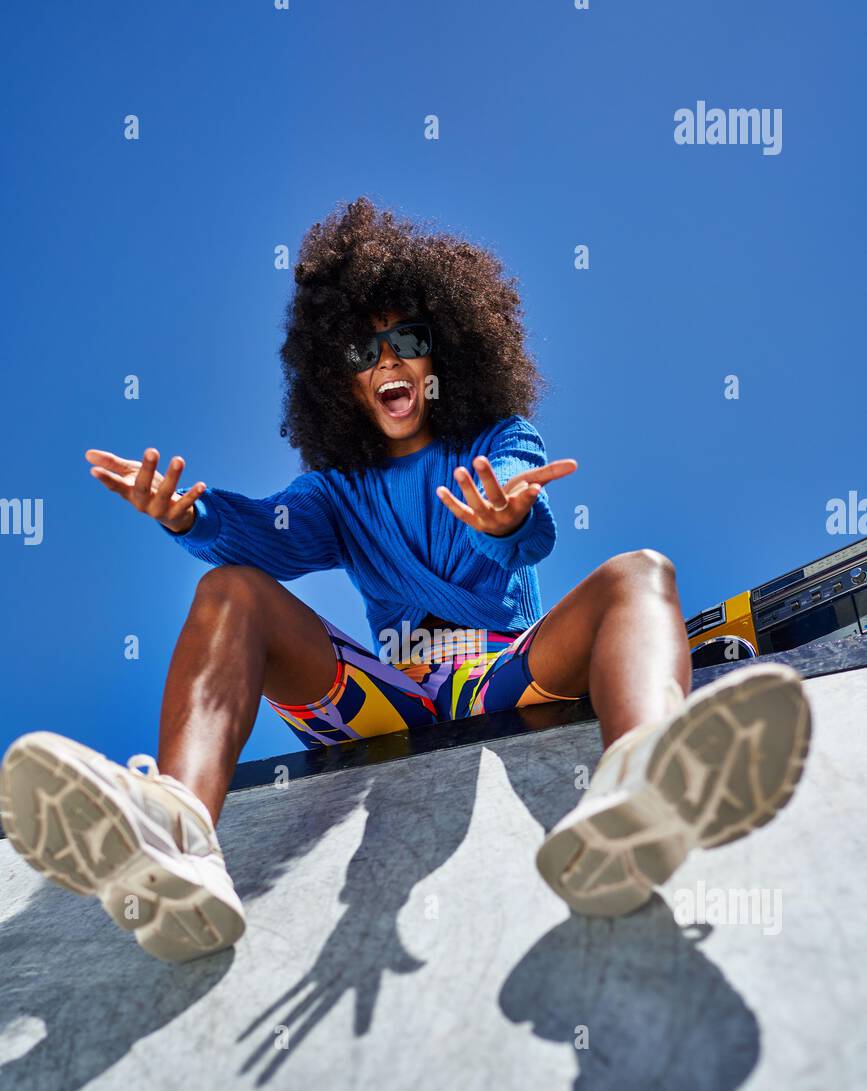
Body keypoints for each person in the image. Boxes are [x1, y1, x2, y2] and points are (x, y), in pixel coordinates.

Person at [0, 198, 811, 962]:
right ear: (339, 380)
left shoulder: (498, 436)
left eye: (407, 339)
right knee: (228, 591)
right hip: (388, 693)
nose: (386, 360)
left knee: (640, 572)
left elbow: (521, 511)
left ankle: (643, 782)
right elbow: (258, 536)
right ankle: (177, 836)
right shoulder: (336, 490)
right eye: (361, 350)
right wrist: (189, 517)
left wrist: (505, 522)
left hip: (504, 672)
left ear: (443, 353)